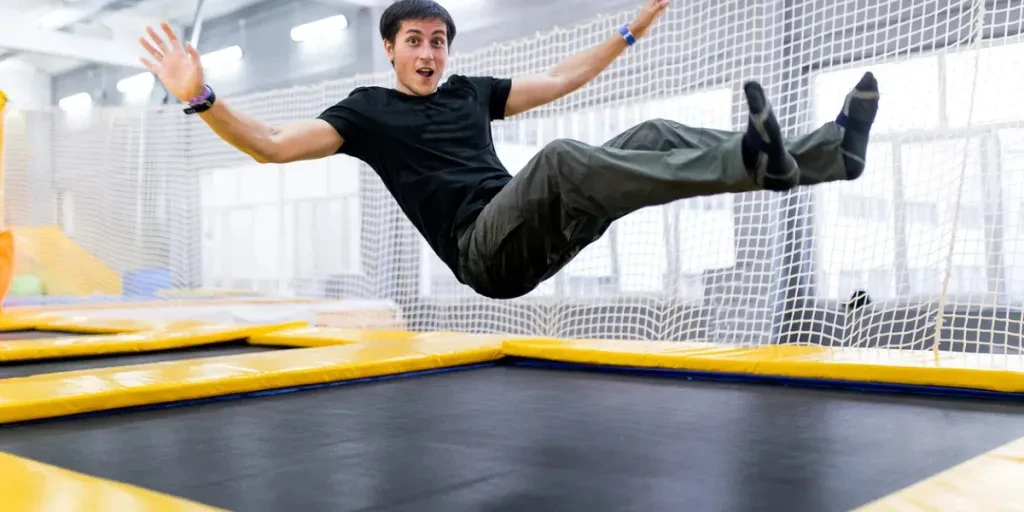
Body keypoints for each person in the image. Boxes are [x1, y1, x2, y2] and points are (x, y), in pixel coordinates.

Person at [138, 0, 879, 300]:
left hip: (540, 228)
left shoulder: (470, 93)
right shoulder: (365, 114)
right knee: (559, 159)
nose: (430, 53)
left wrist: (628, 33)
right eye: (415, 43)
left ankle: (828, 154)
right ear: (390, 51)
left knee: (649, 136)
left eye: (439, 42)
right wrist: (201, 96)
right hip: (484, 255)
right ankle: (755, 163)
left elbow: (559, 77)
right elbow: (268, 145)